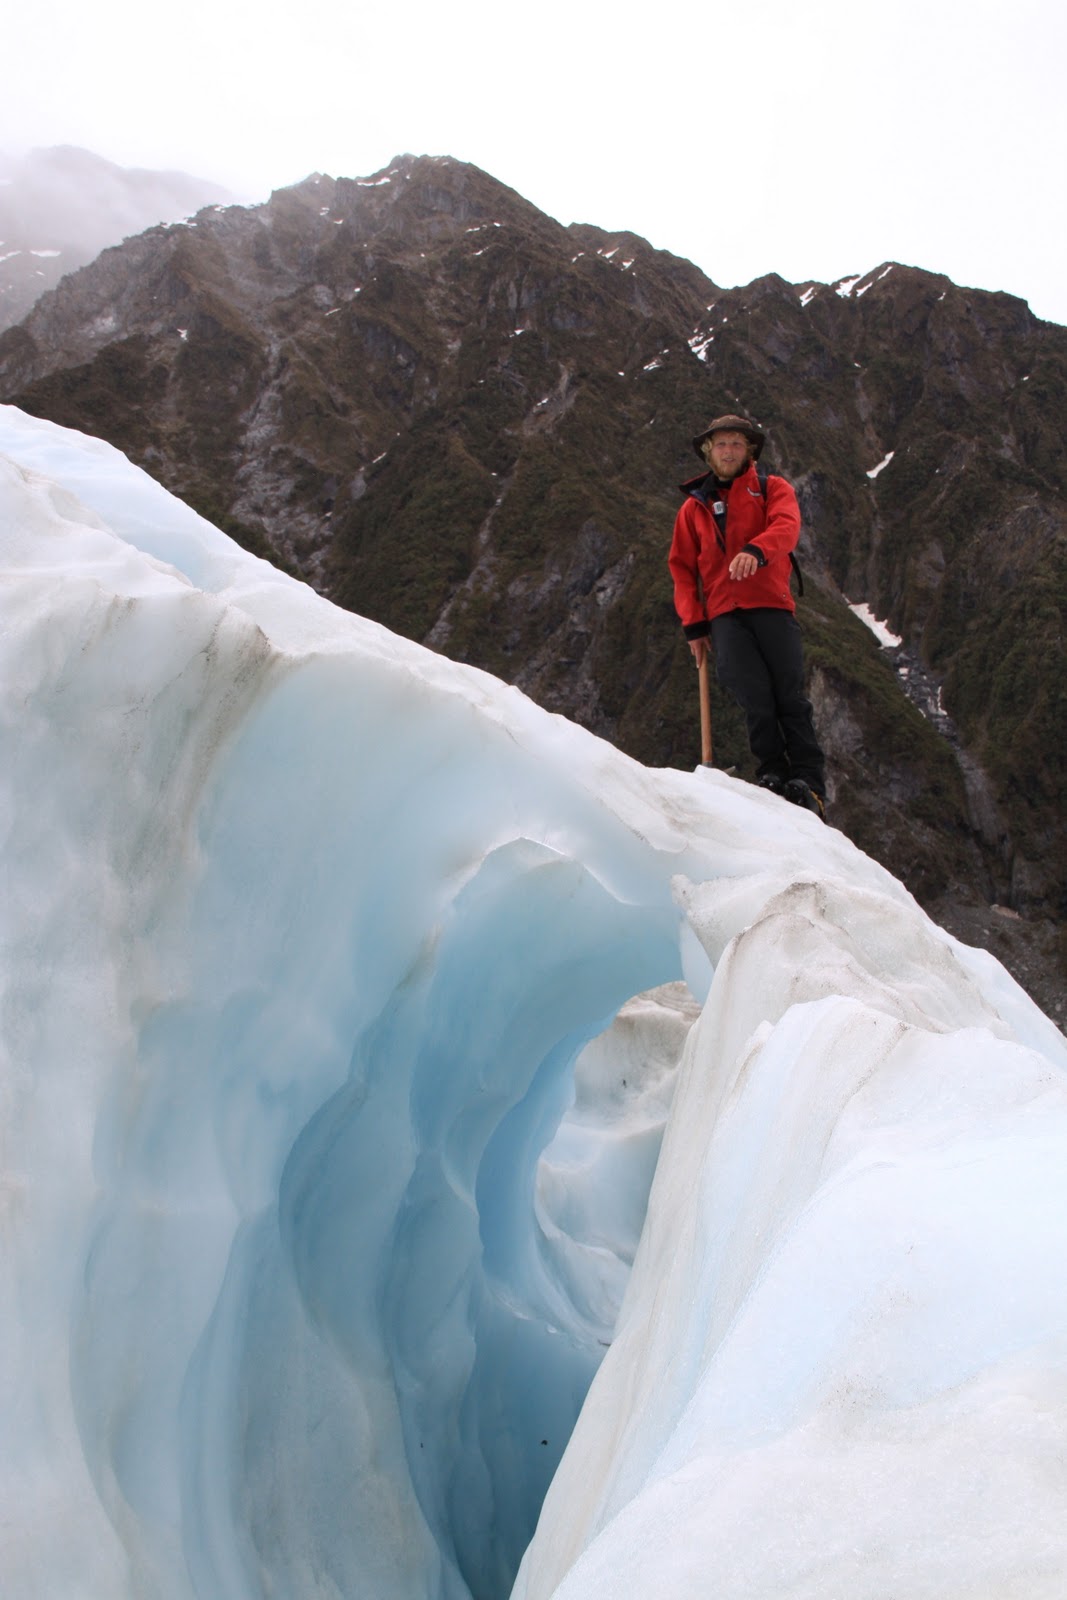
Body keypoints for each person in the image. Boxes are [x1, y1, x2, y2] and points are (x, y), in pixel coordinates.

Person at [668, 412, 827, 817]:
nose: (728, 451)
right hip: (724, 614)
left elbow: (787, 527)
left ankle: (808, 781)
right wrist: (693, 624)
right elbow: (682, 568)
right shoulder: (694, 508)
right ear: (709, 451)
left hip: (771, 605)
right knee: (753, 695)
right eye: (721, 444)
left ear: (749, 451)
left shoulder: (772, 488)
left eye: (736, 443)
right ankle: (772, 773)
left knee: (788, 693)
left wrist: (756, 550)